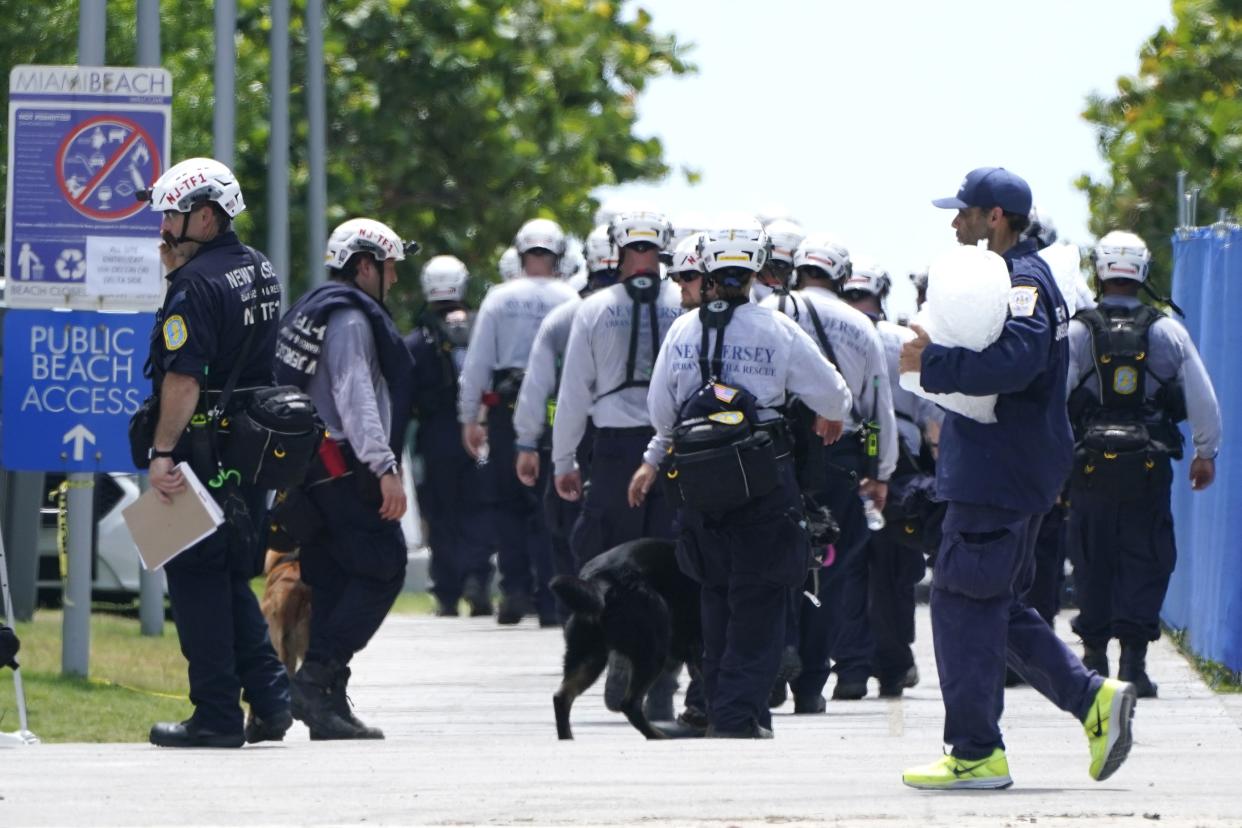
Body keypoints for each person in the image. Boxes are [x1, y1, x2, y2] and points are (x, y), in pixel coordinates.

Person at [899, 166, 1136, 789]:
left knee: (961, 603)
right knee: (995, 605)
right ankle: (1092, 700)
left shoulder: (1022, 281)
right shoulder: (1014, 278)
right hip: (1006, 469)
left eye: (965, 213)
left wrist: (934, 363)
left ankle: (976, 752)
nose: (956, 224)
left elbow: (1018, 362)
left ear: (995, 217)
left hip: (996, 473)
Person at [628, 218, 852, 738]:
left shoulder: (682, 330)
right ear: (756, 269)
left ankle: (730, 710)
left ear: (705, 269)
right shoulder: (777, 328)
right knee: (762, 604)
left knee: (715, 601)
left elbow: (660, 413)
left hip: (699, 493)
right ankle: (737, 717)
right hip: (763, 488)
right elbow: (835, 398)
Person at [138, 157, 290, 748]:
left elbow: (183, 381)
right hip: (248, 451)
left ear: (205, 216)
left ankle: (217, 717)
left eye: (171, 218)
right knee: (228, 575)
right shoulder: (257, 267)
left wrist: (161, 452)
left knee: (196, 579)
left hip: (198, 451)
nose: (163, 231)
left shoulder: (194, 287)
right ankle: (274, 703)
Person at [274, 217, 417, 739]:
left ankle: (326, 704)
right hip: (343, 467)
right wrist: (384, 468)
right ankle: (314, 679)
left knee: (332, 575)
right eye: (390, 267)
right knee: (385, 566)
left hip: (311, 473)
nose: (395, 280)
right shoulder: (352, 319)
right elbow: (356, 399)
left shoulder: (316, 308)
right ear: (364, 265)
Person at [1066, 230, 1221, 698]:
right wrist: (1205, 453)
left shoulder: (1077, 331)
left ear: (1100, 270)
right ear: (1143, 273)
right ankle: (1133, 662)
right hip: (1149, 466)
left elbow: (1055, 402)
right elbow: (1203, 399)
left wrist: (1051, 463)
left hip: (1087, 466)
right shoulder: (1167, 330)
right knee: (1146, 558)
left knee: (1091, 557)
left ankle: (1092, 660)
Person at [761, 236, 897, 710]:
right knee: (828, 573)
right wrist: (879, 470)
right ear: (841, 278)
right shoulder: (862, 325)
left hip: (775, 458)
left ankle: (777, 655)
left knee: (773, 566)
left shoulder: (770, 310)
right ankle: (813, 682)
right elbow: (878, 408)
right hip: (839, 460)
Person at [458, 219, 579, 625]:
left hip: (508, 411)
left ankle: (513, 590)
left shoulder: (499, 298)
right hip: (558, 409)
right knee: (553, 504)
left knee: (507, 503)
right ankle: (550, 598)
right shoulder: (571, 296)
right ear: (558, 254)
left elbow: (476, 363)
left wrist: (469, 416)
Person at [552, 208, 683, 566]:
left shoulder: (593, 309)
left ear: (616, 248)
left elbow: (574, 394)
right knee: (669, 557)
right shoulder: (685, 305)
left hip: (613, 451)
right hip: (675, 449)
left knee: (606, 558)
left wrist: (563, 460)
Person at [838, 259, 942, 698]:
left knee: (846, 567)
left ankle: (850, 670)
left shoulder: (830, 337)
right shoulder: (902, 341)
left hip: (843, 459)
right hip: (899, 467)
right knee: (895, 571)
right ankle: (894, 665)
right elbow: (932, 419)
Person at [513, 225, 618, 588]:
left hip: (572, 433)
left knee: (565, 522)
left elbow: (537, 386)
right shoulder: (662, 312)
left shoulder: (564, 317)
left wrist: (527, 443)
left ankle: (573, 610)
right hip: (636, 439)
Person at [406, 255, 494, 618]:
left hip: (435, 434)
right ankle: (478, 580)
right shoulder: (483, 330)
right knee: (477, 509)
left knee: (439, 513)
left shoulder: (416, 340)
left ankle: (446, 592)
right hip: (478, 430)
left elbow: (405, 391)